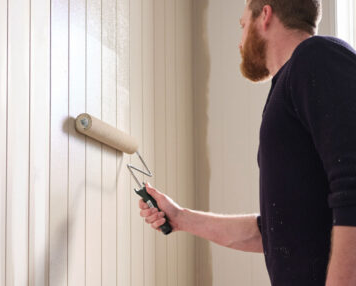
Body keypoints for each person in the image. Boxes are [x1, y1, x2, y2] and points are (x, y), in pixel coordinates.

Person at [138, 0, 356, 285]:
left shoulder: (316, 57)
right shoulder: (287, 86)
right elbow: (275, 232)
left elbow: (352, 189)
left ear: (264, 15)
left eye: (242, 25)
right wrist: (180, 217)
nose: (240, 42)